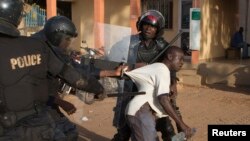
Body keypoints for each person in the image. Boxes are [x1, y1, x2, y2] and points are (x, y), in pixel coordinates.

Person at [0, 0, 104, 140]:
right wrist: (98, 89)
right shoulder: (36, 46)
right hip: (41, 125)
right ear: (18, 16)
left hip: (8, 128)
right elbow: (73, 76)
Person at [32, 15, 124, 140]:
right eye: (67, 39)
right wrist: (97, 89)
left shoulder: (54, 48)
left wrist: (113, 73)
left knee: (70, 132)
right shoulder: (38, 52)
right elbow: (34, 91)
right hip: (33, 109)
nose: (69, 43)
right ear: (57, 37)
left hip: (48, 103)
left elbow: (78, 68)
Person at [110, 10, 182, 141]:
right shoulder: (129, 43)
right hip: (131, 87)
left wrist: (173, 83)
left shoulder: (163, 46)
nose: (149, 28)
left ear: (158, 29)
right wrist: (130, 65)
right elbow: (114, 58)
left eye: (153, 26)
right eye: (146, 25)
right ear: (140, 25)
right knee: (124, 129)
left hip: (154, 89)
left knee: (166, 127)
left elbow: (171, 67)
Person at [124, 46, 194, 141]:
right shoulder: (162, 69)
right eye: (180, 59)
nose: (182, 63)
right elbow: (163, 99)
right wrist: (182, 125)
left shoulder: (158, 68)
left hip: (143, 112)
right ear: (170, 57)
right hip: (140, 111)